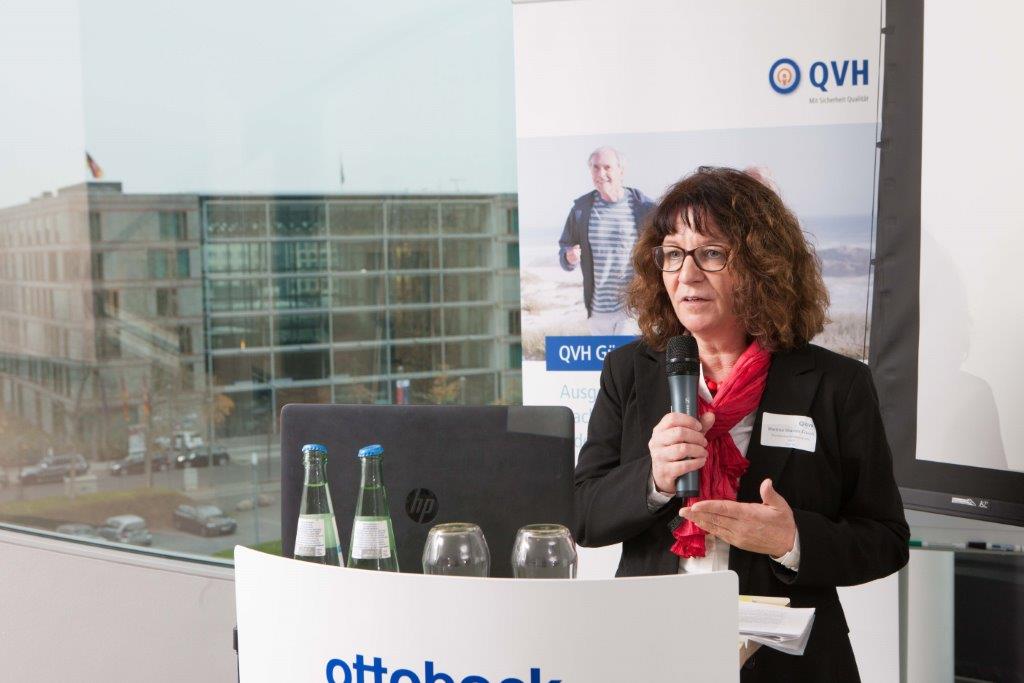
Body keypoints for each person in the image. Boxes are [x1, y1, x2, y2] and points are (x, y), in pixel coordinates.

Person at [572, 167, 909, 681]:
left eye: (710, 253)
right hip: (651, 650)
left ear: (760, 266)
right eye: (672, 253)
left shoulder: (836, 384)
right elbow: (583, 516)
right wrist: (653, 478)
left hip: (787, 667)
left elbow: (886, 539)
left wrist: (792, 540)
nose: (686, 275)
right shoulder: (629, 371)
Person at [557, 146, 656, 334]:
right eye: (595, 167)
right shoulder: (581, 209)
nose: (601, 173)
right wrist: (568, 257)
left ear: (621, 171)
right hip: (597, 312)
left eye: (607, 167)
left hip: (631, 309)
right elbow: (565, 247)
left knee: (625, 353)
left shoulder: (644, 208)